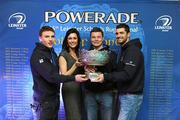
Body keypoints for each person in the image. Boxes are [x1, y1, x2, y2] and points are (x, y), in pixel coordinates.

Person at [30, 26, 88, 120]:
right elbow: (52, 77)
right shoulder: (38, 55)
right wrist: (74, 77)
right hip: (44, 100)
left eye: (52, 36)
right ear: (40, 38)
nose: (50, 39)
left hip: (54, 97)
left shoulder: (52, 53)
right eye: (47, 36)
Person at [96, 23, 144, 120]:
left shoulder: (132, 51)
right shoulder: (125, 50)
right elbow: (119, 71)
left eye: (121, 33)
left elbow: (127, 74)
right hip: (125, 95)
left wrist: (105, 76)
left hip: (131, 96)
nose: (118, 36)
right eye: (117, 33)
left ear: (129, 34)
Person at [83, 27, 117, 120]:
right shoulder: (85, 55)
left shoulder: (111, 54)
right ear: (90, 39)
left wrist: (105, 77)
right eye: (93, 37)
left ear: (102, 38)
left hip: (106, 93)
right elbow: (82, 73)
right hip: (90, 93)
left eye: (98, 37)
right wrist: (85, 70)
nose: (96, 39)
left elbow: (115, 73)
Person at [58, 28, 84, 120]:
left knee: (80, 116)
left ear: (78, 40)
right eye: (70, 38)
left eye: (74, 38)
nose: (72, 41)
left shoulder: (79, 53)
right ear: (66, 40)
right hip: (70, 89)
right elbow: (63, 76)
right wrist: (75, 66)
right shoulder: (63, 55)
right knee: (74, 116)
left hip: (80, 89)